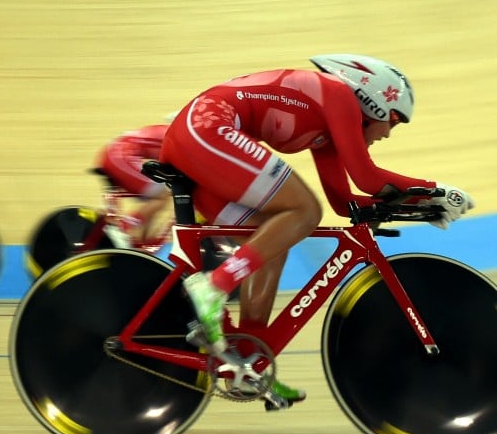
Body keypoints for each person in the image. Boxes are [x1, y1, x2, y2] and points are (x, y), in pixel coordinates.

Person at [159, 54, 474, 409]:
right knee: (304, 211)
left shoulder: (326, 131)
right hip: (207, 128)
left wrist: (418, 204)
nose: (387, 133)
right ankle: (213, 287)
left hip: (200, 138)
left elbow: (344, 201)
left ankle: (248, 360)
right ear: (371, 98)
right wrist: (435, 188)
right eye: (394, 121)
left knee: (272, 241)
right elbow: (367, 177)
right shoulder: (338, 95)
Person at [94, 124, 171, 248]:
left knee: (154, 197)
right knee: (162, 196)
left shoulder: (172, 131)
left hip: (115, 153)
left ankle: (142, 242)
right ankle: (123, 229)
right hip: (120, 156)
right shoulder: (178, 138)